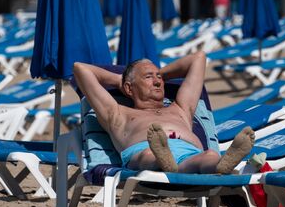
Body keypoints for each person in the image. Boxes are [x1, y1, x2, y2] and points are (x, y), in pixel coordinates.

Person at [73, 51, 254, 174]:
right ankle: (165, 163)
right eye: (149, 77)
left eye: (159, 77)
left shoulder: (180, 108)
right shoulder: (117, 113)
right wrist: (121, 81)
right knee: (149, 156)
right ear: (129, 88)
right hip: (146, 151)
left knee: (211, 155)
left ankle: (222, 165)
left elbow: (198, 58)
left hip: (189, 152)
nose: (158, 82)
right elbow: (80, 69)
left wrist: (156, 75)